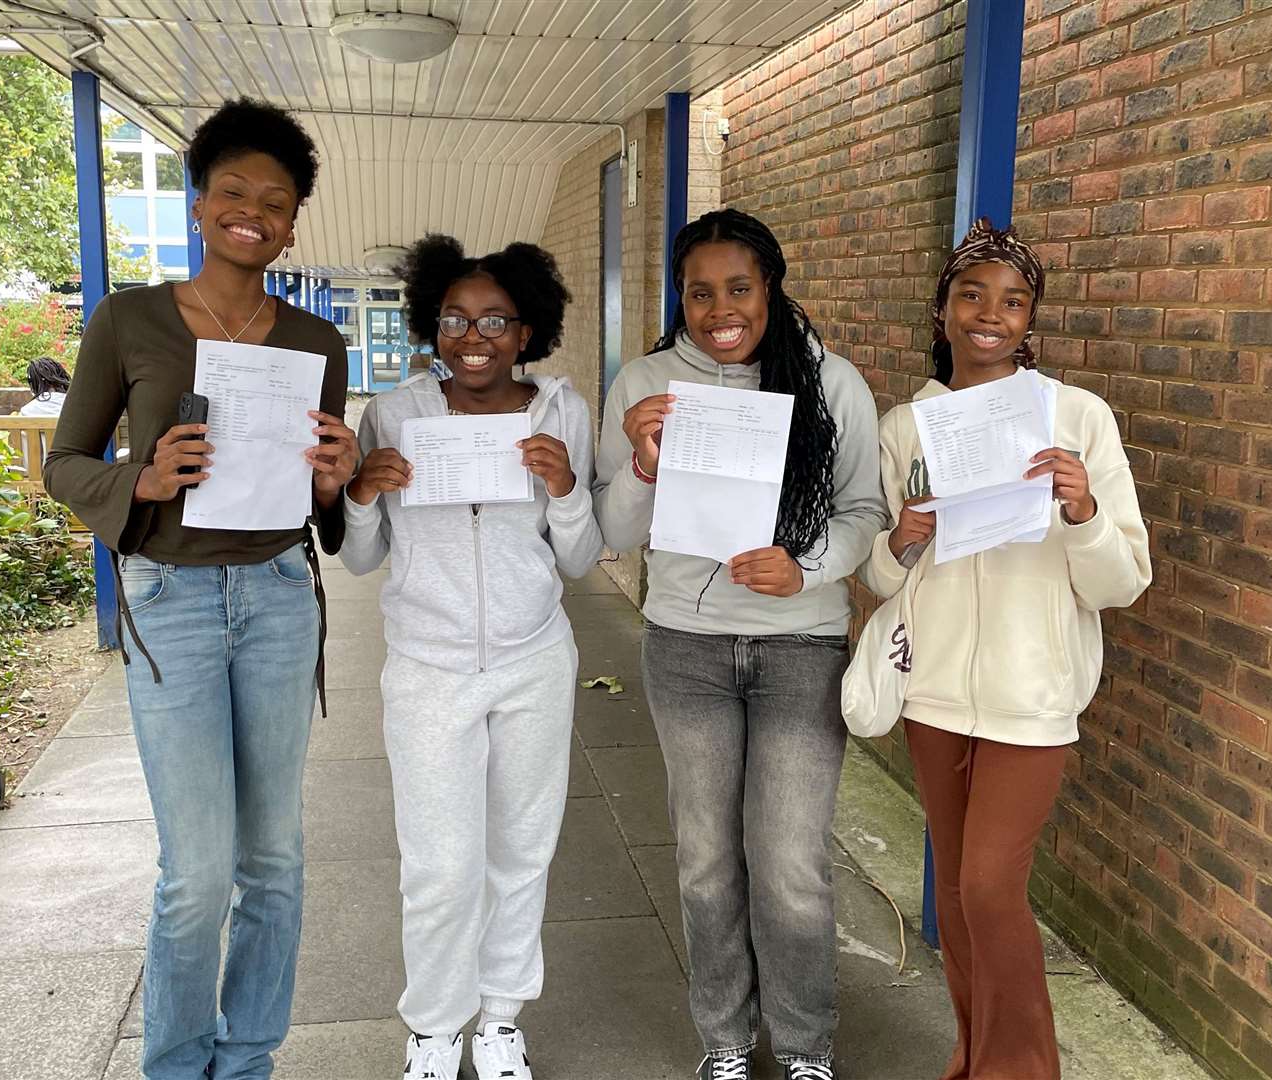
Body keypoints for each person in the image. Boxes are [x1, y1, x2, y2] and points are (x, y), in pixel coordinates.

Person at [43, 98, 356, 1080]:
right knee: (197, 871)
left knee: (275, 863)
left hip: (276, 595)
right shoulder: (128, 318)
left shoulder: (316, 341)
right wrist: (140, 474)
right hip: (171, 599)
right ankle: (177, 1067)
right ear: (198, 203)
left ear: (294, 222)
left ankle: (249, 1058)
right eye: (233, 191)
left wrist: (334, 475)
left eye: (275, 200)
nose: (251, 212)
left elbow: (319, 502)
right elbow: (65, 465)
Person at [594, 208, 888, 1080]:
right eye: (698, 291)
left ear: (770, 287)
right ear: (679, 297)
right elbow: (614, 527)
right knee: (705, 859)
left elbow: (863, 513)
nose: (718, 307)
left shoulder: (831, 384)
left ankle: (803, 1046)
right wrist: (643, 461)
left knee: (791, 862)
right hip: (685, 648)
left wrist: (806, 568)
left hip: (800, 648)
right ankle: (724, 1039)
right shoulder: (646, 381)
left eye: (738, 287)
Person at [860, 219, 1151, 1080]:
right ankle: (970, 1054)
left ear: (1031, 322)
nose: (990, 314)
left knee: (989, 886)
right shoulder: (906, 428)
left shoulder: (1077, 418)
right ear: (942, 310)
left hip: (1032, 698)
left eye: (1013, 301)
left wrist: (1083, 511)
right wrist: (899, 543)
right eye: (971, 295)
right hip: (933, 695)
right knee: (954, 897)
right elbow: (882, 579)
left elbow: (1121, 581)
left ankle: (1018, 1071)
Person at [339, 234, 601, 1080]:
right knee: (440, 863)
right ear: (430, 324)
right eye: (454, 318)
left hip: (532, 660)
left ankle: (498, 1020)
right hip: (426, 664)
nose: (473, 335)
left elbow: (579, 560)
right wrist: (362, 495)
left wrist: (563, 491)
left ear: (527, 330)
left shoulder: (561, 411)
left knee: (522, 849)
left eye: (494, 319)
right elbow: (359, 558)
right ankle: (432, 1028)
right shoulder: (394, 412)